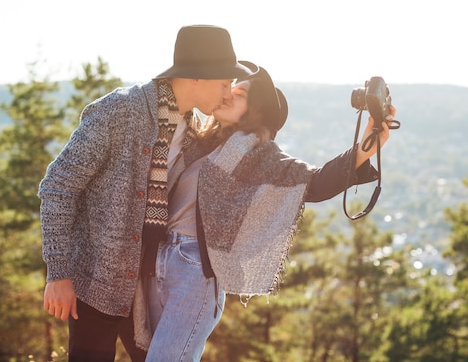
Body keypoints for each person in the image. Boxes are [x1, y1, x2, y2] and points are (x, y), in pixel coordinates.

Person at [134, 62, 397, 361]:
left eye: (242, 93)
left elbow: (315, 181)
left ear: (255, 110)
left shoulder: (258, 154)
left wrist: (366, 145)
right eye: (232, 87)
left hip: (193, 272)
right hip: (157, 263)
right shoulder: (197, 144)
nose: (230, 93)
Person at [38, 24, 255, 362]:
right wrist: (58, 272)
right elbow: (57, 186)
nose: (228, 94)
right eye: (224, 83)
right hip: (94, 281)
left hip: (145, 287)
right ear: (196, 77)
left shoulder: (194, 130)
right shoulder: (119, 110)